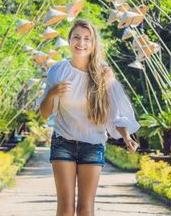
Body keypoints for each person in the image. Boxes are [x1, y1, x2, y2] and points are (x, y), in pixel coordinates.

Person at [37, 19, 140, 216]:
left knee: (85, 209)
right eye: (76, 37)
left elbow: (116, 110)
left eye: (87, 39)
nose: (81, 43)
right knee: (65, 208)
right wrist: (52, 93)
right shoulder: (58, 70)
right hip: (63, 142)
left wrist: (126, 136)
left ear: (93, 44)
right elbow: (44, 113)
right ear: (69, 41)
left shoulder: (103, 73)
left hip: (93, 144)